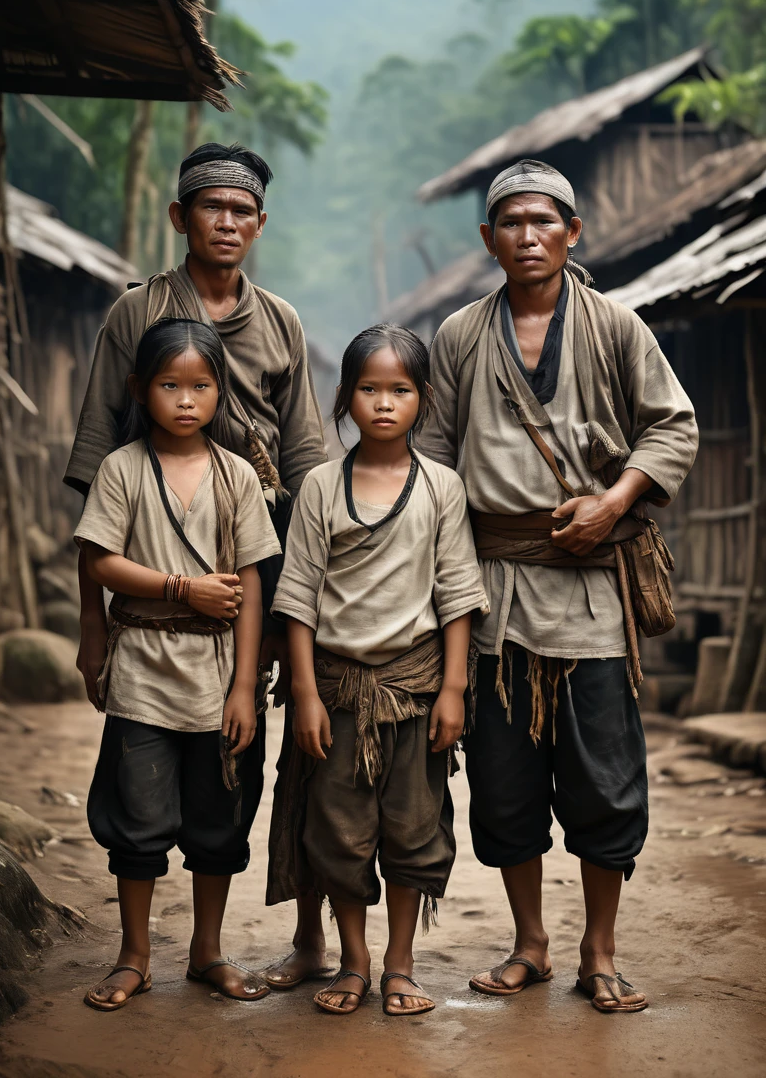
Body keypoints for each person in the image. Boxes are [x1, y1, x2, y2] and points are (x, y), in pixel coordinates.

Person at [418, 159, 698, 1013]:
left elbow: (672, 425)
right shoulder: (461, 333)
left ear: (573, 233)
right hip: (494, 590)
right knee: (504, 783)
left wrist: (614, 503)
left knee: (605, 783)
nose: (528, 235)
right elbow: (432, 455)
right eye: (510, 222)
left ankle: (599, 950)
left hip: (591, 594)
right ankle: (530, 943)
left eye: (544, 221)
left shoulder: (615, 325)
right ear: (487, 239)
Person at [65, 142, 331, 993]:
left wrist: (295, 625)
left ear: (260, 222)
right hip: (147, 581)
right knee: (139, 792)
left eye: (241, 210)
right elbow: (96, 486)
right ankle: (136, 953)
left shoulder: (281, 321)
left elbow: (309, 474)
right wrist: (91, 627)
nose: (227, 222)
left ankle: (236, 946)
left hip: (253, 575)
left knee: (236, 770)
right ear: (180, 218)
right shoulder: (135, 314)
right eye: (209, 207)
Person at [268, 324, 488, 1017]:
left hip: (416, 691)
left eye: (400, 390)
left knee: (416, 829)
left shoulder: (442, 488)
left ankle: (400, 963)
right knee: (337, 829)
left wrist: (452, 689)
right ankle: (354, 962)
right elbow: (298, 596)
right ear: (346, 397)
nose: (384, 403)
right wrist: (304, 692)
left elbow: (457, 594)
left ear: (423, 399)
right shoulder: (321, 489)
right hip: (336, 692)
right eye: (369, 389)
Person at [77, 319, 282, 1010]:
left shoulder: (239, 478)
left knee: (218, 819)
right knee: (137, 821)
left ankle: (207, 951)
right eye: (170, 385)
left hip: (220, 672)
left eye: (202, 386)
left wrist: (246, 687)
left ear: (221, 392)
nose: (186, 400)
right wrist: (179, 588)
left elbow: (252, 584)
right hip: (141, 669)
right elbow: (100, 559)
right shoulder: (122, 468)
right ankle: (133, 954)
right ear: (141, 389)